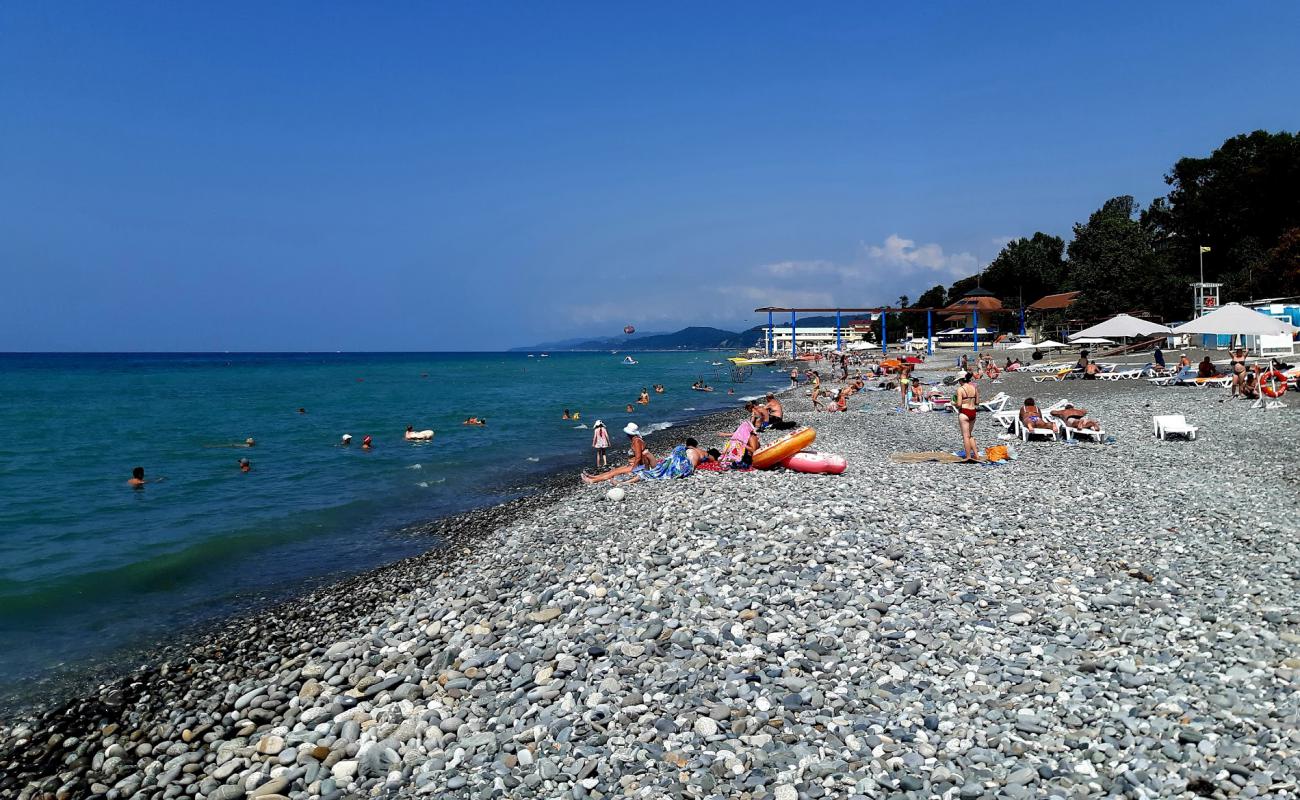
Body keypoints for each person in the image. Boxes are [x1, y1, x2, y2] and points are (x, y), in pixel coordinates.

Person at [580, 423, 655, 483]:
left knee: (613, 473)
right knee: (613, 471)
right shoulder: (636, 440)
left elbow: (638, 457)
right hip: (633, 464)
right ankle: (594, 477)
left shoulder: (637, 441)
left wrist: (634, 468)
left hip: (637, 465)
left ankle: (592, 480)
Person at [955, 373, 979, 463]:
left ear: (961, 380)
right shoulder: (974, 388)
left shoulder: (960, 389)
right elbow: (977, 402)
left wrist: (953, 403)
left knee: (965, 436)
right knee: (970, 435)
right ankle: (976, 455)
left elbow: (959, 404)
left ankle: (968, 456)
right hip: (973, 411)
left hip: (964, 412)